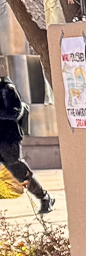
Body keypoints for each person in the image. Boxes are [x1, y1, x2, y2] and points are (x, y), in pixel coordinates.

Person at [0, 69, 56, 215]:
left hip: (8, 139)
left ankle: (44, 197)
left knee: (18, 170)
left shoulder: (7, 88)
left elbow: (16, 112)